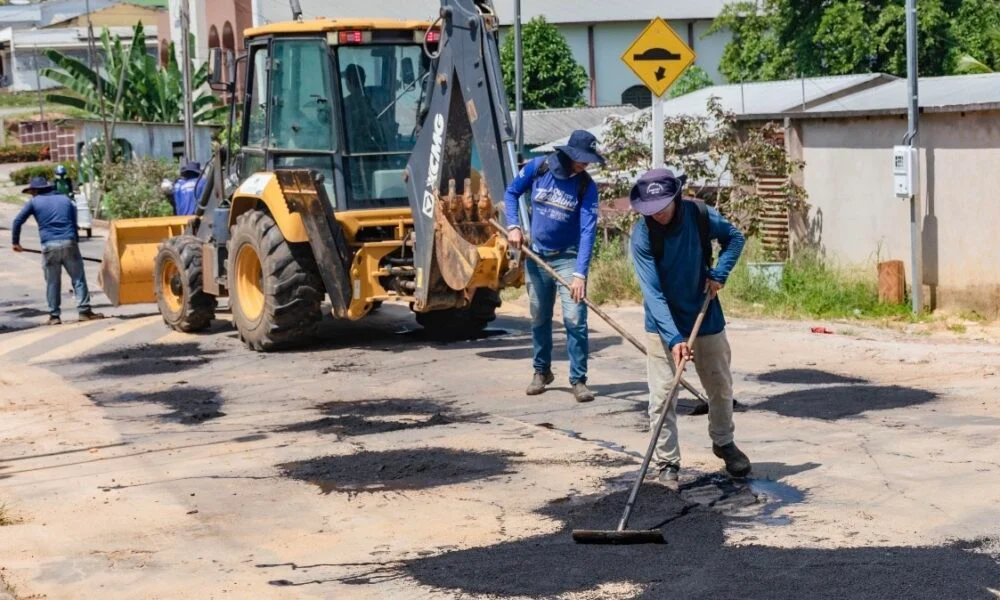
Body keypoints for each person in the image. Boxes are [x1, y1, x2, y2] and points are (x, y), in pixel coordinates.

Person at [628, 168, 749, 489]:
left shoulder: (699, 215)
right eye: (650, 209)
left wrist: (720, 273)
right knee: (663, 395)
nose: (656, 214)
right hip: (661, 323)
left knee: (720, 386)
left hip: (704, 313)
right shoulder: (642, 235)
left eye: (662, 207)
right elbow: (653, 293)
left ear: (676, 198)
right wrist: (673, 338)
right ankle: (667, 462)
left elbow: (735, 238)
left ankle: (723, 441)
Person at [503, 130, 602, 403]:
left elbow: (588, 231)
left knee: (574, 319)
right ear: (569, 154)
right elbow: (511, 193)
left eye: (589, 159)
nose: (586, 163)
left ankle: (578, 380)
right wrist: (513, 226)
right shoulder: (539, 167)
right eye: (582, 158)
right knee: (539, 316)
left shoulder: (586, 186)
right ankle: (541, 372)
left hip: (568, 258)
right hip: (536, 256)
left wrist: (580, 274)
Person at [11, 176, 105, 326]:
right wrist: (74, 241)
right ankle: (84, 311)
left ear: (35, 190)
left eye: (32, 191)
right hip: (69, 242)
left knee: (52, 282)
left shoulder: (34, 202)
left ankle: (54, 316)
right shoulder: (66, 200)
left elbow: (17, 221)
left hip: (49, 245)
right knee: (78, 278)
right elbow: (74, 223)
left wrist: (15, 242)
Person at [341, 64, 384, 153]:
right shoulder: (374, 100)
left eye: (346, 80)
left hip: (354, 151)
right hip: (373, 149)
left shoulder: (345, 104)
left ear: (349, 82)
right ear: (364, 79)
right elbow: (378, 132)